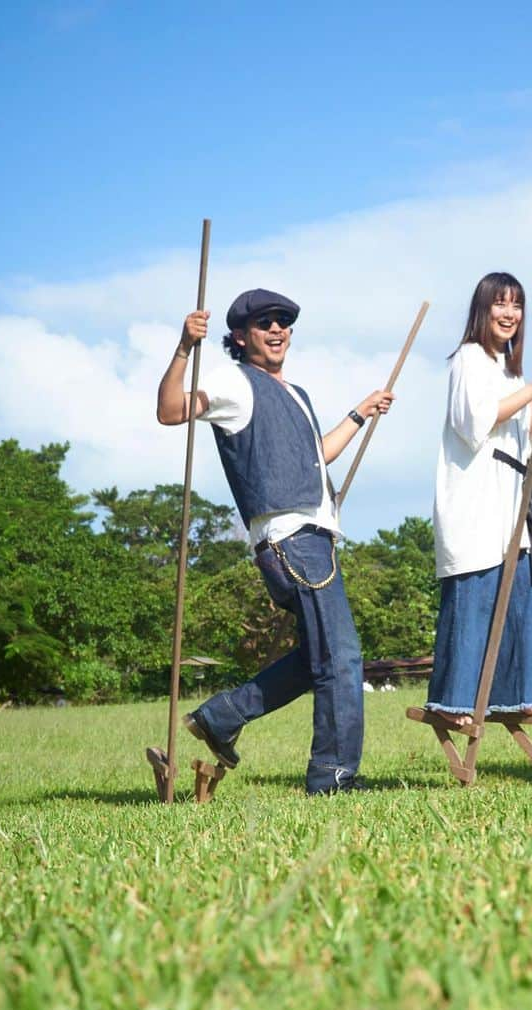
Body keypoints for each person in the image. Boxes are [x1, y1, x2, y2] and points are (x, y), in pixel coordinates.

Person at [156, 288, 393, 795]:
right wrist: (183, 348)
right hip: (292, 539)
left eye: (284, 321)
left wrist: (359, 413)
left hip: (313, 540)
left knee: (316, 660)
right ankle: (332, 778)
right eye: (265, 322)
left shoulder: (295, 393)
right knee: (341, 660)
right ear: (240, 336)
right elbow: (171, 411)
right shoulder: (234, 383)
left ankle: (221, 717)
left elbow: (315, 457)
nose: (278, 329)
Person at [424, 272, 532, 726]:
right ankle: (453, 703)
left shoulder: (509, 370)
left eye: (517, 305)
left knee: (523, 596)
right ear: (483, 310)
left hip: (512, 499)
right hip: (477, 499)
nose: (509, 314)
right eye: (500, 305)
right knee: (476, 598)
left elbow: (524, 429)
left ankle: (518, 695)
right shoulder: (468, 358)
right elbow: (477, 421)